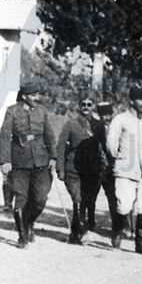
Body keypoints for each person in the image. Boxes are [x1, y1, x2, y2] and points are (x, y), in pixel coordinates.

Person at [0, 81, 57, 249]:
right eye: (32, 95)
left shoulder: (42, 111)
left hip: (40, 160)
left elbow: (50, 135)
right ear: (24, 96)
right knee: (21, 198)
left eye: (37, 94)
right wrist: (5, 161)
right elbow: (5, 137)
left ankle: (28, 221)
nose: (36, 98)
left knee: (40, 199)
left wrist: (53, 156)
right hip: (19, 161)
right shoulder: (12, 111)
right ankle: (22, 235)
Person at [106, 85, 142, 255]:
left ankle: (141, 243)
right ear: (131, 101)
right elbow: (111, 144)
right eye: (140, 99)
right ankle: (117, 230)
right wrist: (122, 159)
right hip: (126, 169)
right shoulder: (120, 119)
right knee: (124, 204)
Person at [56, 93, 105, 245]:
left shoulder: (99, 125)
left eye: (89, 104)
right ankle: (76, 233)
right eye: (83, 104)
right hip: (73, 168)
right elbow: (61, 146)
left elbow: (104, 147)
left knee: (87, 200)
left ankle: (81, 230)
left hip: (91, 169)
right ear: (79, 106)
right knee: (77, 198)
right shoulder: (71, 124)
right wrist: (60, 168)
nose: (86, 107)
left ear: (93, 106)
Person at [96, 101, 120, 235]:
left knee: (114, 198)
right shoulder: (96, 128)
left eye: (109, 114)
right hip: (98, 168)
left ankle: (117, 227)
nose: (107, 117)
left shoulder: (117, 128)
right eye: (104, 115)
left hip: (113, 168)